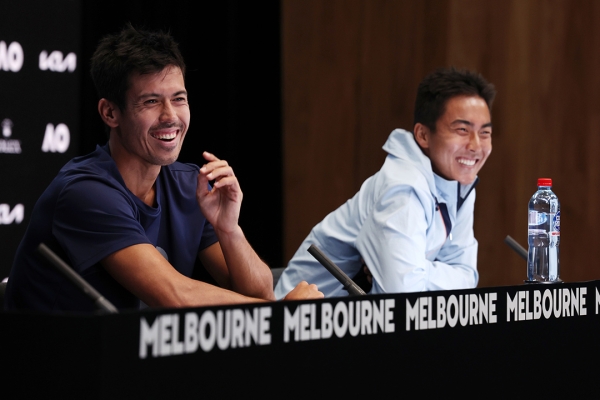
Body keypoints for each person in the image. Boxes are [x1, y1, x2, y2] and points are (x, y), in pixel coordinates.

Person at [4, 23, 323, 313]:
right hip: (49, 356)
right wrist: (284, 314)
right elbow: (173, 295)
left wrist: (229, 229)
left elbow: (260, 294)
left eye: (179, 99)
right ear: (110, 113)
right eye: (151, 102)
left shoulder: (190, 184)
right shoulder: (84, 191)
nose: (171, 116)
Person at [275, 67, 496, 298]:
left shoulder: (459, 183)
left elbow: (467, 276)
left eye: (485, 133)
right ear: (423, 135)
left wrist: (414, 269)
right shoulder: (404, 188)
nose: (475, 146)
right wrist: (408, 273)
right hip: (299, 314)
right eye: (462, 130)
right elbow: (402, 295)